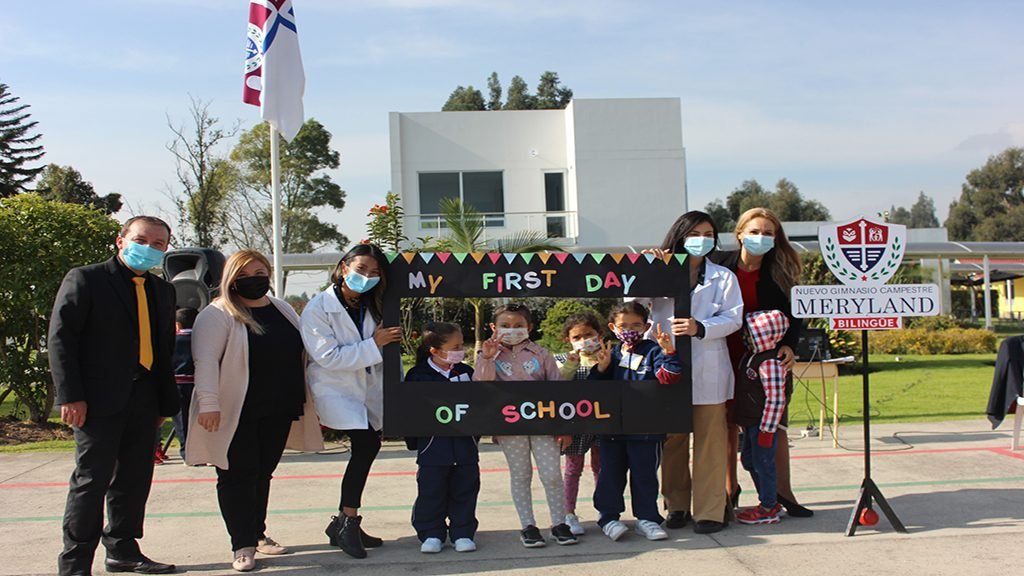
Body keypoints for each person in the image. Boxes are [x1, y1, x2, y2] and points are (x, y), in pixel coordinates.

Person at [49, 215, 178, 576]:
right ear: (121, 241)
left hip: (146, 398)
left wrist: (165, 404)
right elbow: (62, 339)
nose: (149, 249)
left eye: (158, 244)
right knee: (92, 480)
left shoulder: (162, 290)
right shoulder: (87, 279)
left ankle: (122, 548)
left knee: (135, 479)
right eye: (141, 240)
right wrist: (70, 395)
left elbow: (165, 349)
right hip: (96, 401)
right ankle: (74, 562)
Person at [186, 250, 323, 572]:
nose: (254, 280)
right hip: (235, 411)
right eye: (245, 275)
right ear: (231, 279)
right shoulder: (217, 313)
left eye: (260, 272)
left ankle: (258, 533)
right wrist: (208, 403)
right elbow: (204, 362)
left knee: (262, 474)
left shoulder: (282, 308)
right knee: (236, 476)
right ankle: (242, 544)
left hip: (279, 406)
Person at [638, 210, 744, 535]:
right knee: (672, 440)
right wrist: (645, 269)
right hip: (666, 365)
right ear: (680, 236)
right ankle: (677, 505)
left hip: (707, 366)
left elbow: (734, 317)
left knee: (711, 441)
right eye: (695, 234)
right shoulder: (659, 269)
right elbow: (633, 304)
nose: (702, 240)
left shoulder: (722, 277)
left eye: (708, 234)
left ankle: (710, 510)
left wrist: (701, 327)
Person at [301, 243, 403, 559]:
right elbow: (328, 357)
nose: (367, 277)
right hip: (336, 389)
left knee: (367, 447)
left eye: (374, 273)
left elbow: (390, 353)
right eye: (361, 270)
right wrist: (375, 344)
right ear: (344, 267)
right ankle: (348, 520)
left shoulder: (376, 304)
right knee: (365, 446)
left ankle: (345, 523)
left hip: (370, 390)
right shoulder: (318, 308)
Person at [711, 207, 812, 517]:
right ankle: (729, 490)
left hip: (767, 360)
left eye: (768, 233)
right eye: (754, 231)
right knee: (726, 424)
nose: (761, 237)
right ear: (739, 233)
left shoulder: (781, 270)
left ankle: (783, 492)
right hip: (725, 354)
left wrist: (790, 346)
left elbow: (796, 313)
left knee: (774, 424)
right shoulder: (718, 264)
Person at [473, 303, 578, 548]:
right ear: (493, 328)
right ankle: (528, 526)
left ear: (529, 327)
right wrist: (487, 358)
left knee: (552, 474)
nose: (512, 330)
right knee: (521, 475)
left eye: (518, 325)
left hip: (544, 426)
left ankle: (559, 523)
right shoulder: (486, 355)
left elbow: (557, 391)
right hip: (510, 428)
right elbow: (480, 387)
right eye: (505, 326)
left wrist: (564, 426)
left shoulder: (541, 354)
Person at [588, 302, 682, 542]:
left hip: (646, 429)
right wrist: (602, 367)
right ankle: (608, 518)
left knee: (645, 475)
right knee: (610, 474)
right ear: (612, 327)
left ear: (646, 326)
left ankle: (647, 519)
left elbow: (669, 379)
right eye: (623, 325)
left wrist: (669, 353)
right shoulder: (612, 353)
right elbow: (594, 389)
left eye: (636, 325)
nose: (629, 329)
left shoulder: (653, 350)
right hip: (612, 430)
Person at [404, 323, 480, 554]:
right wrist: (414, 441)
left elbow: (482, 405)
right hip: (432, 448)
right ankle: (431, 533)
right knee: (431, 491)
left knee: (466, 489)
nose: (461, 350)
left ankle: (463, 532)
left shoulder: (466, 372)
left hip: (465, 446)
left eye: (462, 345)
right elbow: (408, 413)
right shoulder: (417, 376)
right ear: (435, 350)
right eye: (455, 346)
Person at [734, 310, 791, 525]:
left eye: (751, 333)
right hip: (750, 422)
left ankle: (769, 506)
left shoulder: (770, 363)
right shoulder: (752, 357)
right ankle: (768, 499)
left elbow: (776, 399)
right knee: (749, 460)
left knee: (763, 462)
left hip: (762, 424)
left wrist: (767, 429)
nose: (746, 336)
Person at [552, 311, 605, 536]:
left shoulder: (608, 357)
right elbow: (558, 385)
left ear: (599, 334)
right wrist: (572, 363)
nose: (584, 340)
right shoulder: (562, 360)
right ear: (568, 340)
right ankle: (569, 513)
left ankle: (605, 510)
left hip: (603, 423)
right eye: (577, 337)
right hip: (574, 425)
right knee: (573, 470)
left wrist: (604, 364)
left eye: (589, 334)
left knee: (601, 468)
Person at [171, 307, 198, 461]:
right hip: (196, 383)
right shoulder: (201, 340)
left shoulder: (173, 340)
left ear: (178, 325)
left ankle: (186, 452)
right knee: (197, 419)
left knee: (181, 419)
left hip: (177, 383)